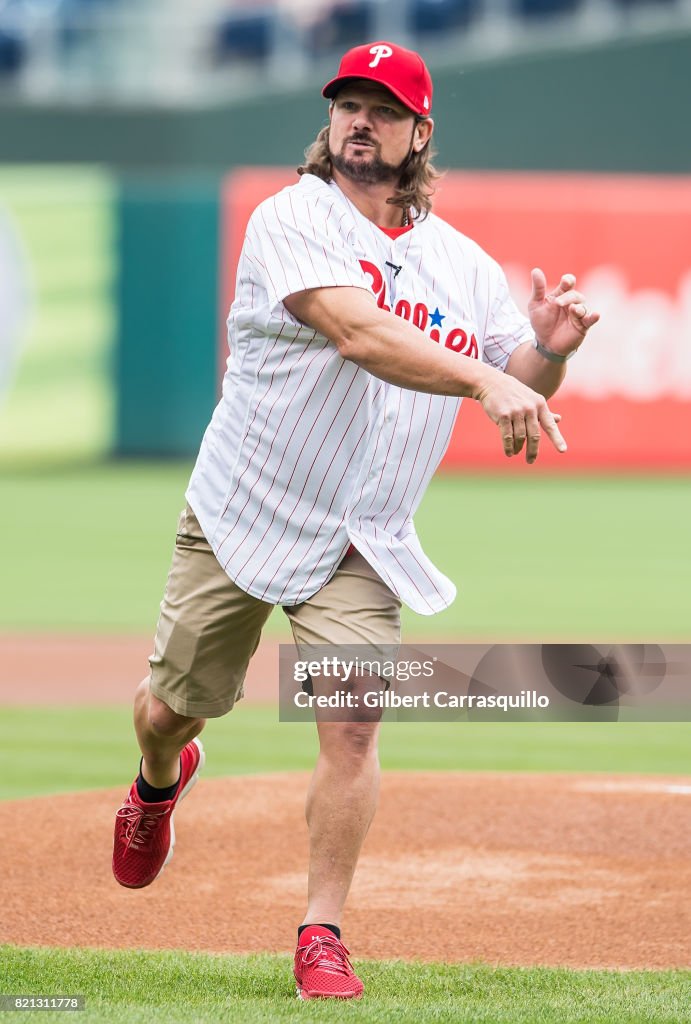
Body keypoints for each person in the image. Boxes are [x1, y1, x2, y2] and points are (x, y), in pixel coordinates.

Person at [112, 40, 599, 1000]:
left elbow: (518, 374)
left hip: (361, 536)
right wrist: (489, 376)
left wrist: (544, 353)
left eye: (382, 107)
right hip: (244, 510)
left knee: (353, 724)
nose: (358, 120)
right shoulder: (289, 218)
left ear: (420, 132)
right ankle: (158, 781)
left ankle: (321, 930)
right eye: (347, 102)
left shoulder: (457, 262)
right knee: (171, 709)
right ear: (330, 119)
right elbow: (359, 333)